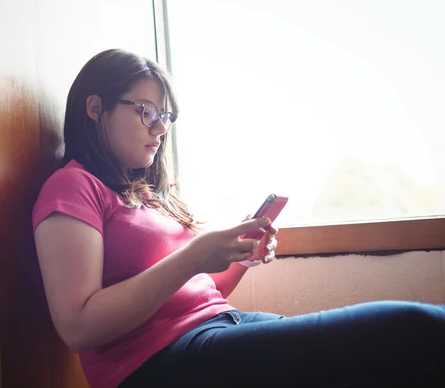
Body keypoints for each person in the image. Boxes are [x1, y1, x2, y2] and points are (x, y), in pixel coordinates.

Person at [32, 48, 444, 388]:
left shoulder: (148, 197)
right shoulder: (72, 186)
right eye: (145, 111)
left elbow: (198, 291)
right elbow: (79, 326)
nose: (159, 129)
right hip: (158, 361)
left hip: (218, 326)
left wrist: (239, 257)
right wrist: (194, 255)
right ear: (94, 108)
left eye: (165, 116)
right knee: (407, 329)